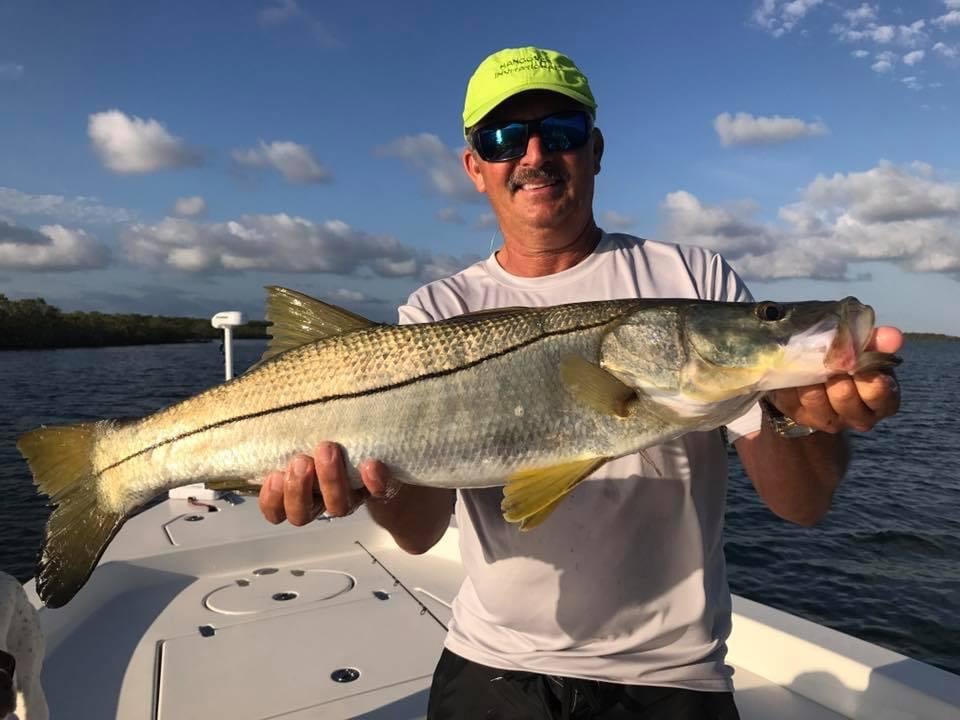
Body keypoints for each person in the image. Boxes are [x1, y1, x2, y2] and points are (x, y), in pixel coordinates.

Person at [258, 47, 902, 719]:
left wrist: (798, 414)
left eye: (560, 131)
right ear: (475, 167)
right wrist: (359, 484)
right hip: (491, 669)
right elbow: (420, 534)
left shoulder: (694, 282)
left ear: (594, 149)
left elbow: (802, 505)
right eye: (505, 138)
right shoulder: (436, 312)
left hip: (674, 681)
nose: (534, 153)